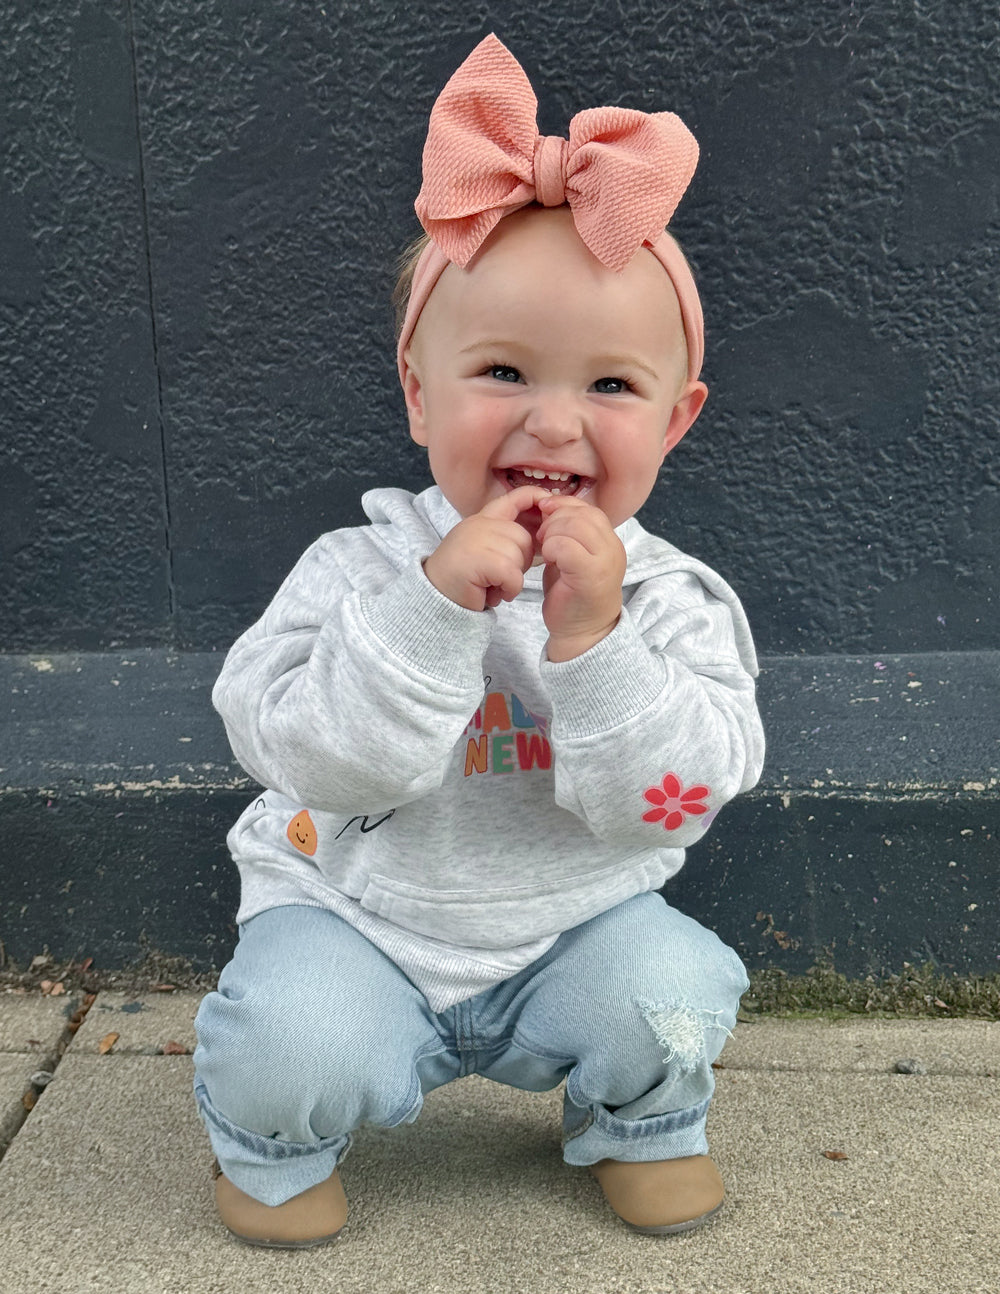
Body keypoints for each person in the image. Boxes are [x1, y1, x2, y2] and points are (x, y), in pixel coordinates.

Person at [193, 33, 765, 1249]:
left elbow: (673, 804)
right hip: (356, 916)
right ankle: (274, 1151)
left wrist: (597, 640)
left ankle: (642, 1124)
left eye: (611, 387)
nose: (551, 420)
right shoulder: (354, 569)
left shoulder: (670, 599)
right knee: (288, 1040)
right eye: (500, 369)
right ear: (416, 391)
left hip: (576, 920)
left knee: (669, 995)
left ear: (677, 420)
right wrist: (433, 610)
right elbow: (311, 758)